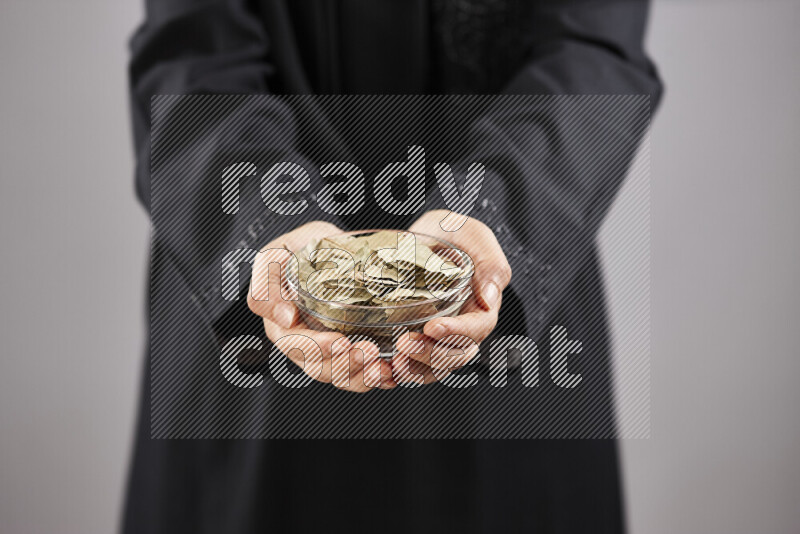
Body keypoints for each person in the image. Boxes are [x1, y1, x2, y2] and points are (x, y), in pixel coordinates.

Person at [123, 1, 662, 532]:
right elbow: (192, 50)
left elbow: (594, 49)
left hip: (514, 295)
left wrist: (493, 214)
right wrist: (266, 225)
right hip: (248, 304)